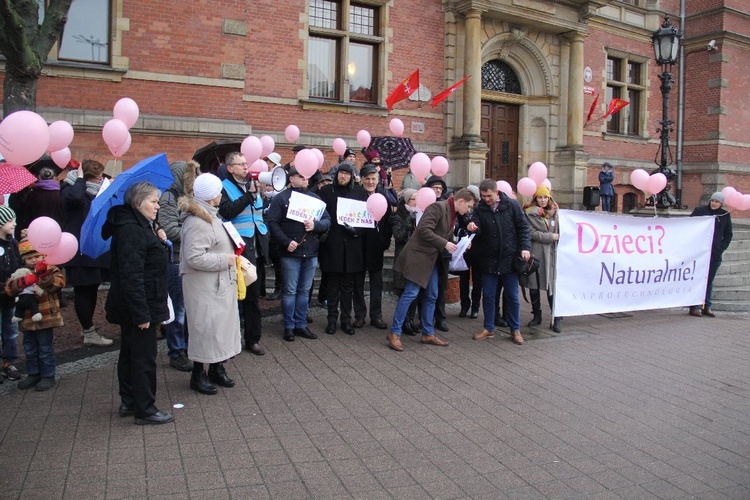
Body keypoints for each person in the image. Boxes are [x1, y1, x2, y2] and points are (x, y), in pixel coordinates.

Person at [103, 181, 173, 425]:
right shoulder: (131, 230)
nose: (157, 206)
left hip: (138, 301)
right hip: (140, 303)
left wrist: (157, 237)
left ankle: (130, 400)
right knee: (143, 356)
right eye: (153, 202)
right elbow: (131, 276)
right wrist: (141, 314)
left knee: (130, 352)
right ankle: (145, 408)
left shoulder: (138, 226)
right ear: (137, 202)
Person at [386, 188, 476, 352]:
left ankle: (427, 333)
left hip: (431, 259)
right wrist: (445, 243)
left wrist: (459, 243)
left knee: (432, 295)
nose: (469, 210)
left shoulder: (451, 212)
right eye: (469, 207)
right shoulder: (438, 207)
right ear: (461, 201)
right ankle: (394, 332)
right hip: (419, 258)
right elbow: (423, 230)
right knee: (411, 294)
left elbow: (443, 235)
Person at [179, 173, 242, 395]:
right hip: (204, 286)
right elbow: (194, 257)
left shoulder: (210, 215)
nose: (221, 195)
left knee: (219, 329)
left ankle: (217, 367)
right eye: (218, 191)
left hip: (217, 283)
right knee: (204, 329)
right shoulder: (198, 221)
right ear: (211, 196)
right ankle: (198, 374)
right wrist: (223, 260)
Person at [266, 167, 331, 341]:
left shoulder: (315, 199)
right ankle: (288, 326)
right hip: (290, 253)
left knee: (304, 290)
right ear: (291, 179)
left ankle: (301, 324)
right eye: (301, 176)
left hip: (310, 252)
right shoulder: (281, 198)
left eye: (306, 177)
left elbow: (327, 220)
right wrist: (286, 242)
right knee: (290, 290)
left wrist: (315, 226)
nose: (305, 180)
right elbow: (272, 222)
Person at [468, 179, 531, 345]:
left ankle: (515, 329)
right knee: (488, 295)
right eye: (483, 196)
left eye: (489, 196)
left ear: (496, 192)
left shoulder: (512, 205)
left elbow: (523, 228)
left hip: (510, 259)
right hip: (489, 259)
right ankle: (488, 328)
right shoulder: (479, 208)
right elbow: (477, 226)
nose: (486, 199)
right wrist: (473, 227)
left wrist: (525, 248)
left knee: (512, 296)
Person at [60, 160, 114, 347]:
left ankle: (88, 328)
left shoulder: (96, 191)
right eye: (96, 175)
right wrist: (80, 179)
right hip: (78, 250)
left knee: (91, 289)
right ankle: (88, 332)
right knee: (83, 291)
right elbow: (75, 199)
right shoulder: (70, 189)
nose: (100, 178)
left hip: (95, 249)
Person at [218, 151, 267, 356]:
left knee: (253, 295)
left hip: (255, 244)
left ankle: (253, 339)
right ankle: (233, 338)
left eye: (246, 164)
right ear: (230, 168)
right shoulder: (223, 187)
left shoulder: (252, 186)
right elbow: (227, 211)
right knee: (237, 295)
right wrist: (249, 196)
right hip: (238, 246)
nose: (246, 167)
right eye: (241, 164)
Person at [4, 230, 66, 391]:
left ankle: (47, 374)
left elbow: (57, 284)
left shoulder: (51, 269)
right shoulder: (21, 272)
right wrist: (20, 283)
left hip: (45, 316)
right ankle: (33, 373)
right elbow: (9, 289)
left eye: (37, 256)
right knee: (29, 348)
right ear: (24, 259)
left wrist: (44, 276)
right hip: (27, 318)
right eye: (29, 258)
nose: (33, 260)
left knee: (45, 347)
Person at [157, 160, 200, 371]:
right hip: (174, 259)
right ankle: (176, 351)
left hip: (187, 256)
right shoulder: (168, 198)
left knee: (188, 307)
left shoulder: (187, 198)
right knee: (178, 308)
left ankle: (185, 346)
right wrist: (194, 228)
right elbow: (170, 231)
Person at [318, 162, 367, 335]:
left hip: (352, 246)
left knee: (348, 288)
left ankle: (346, 320)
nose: (343, 176)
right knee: (332, 287)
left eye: (347, 174)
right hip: (332, 246)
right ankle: (331, 320)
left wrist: (357, 231)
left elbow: (366, 218)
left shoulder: (360, 193)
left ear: (352, 176)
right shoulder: (326, 192)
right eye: (341, 173)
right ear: (337, 175)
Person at [356, 164, 393, 329]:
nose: (370, 182)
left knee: (376, 284)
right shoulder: (355, 197)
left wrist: (384, 242)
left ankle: (376, 316)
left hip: (376, 248)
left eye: (373, 179)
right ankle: (359, 315)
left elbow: (388, 224)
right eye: (367, 179)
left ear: (378, 180)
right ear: (362, 180)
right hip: (357, 247)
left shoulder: (383, 198)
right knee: (357, 283)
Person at [520, 185, 561, 332]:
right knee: (534, 285)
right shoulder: (529, 213)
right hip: (536, 253)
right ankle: (536, 315)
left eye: (545, 197)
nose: (543, 200)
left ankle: (556, 316)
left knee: (552, 286)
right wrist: (551, 237)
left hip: (551, 254)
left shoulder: (556, 213)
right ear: (535, 198)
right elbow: (531, 233)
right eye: (540, 197)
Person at [689, 192, 733, 318]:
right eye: (712, 200)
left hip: (714, 253)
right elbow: (689, 225)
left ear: (721, 203)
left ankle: (706, 306)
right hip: (700, 251)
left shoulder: (725, 215)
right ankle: (694, 306)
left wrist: (721, 248)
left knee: (709, 281)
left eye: (717, 202)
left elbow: (728, 234)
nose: (714, 203)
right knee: (698, 279)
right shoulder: (700, 211)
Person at [389, 189, 419, 334]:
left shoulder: (421, 214)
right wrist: (410, 219)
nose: (416, 202)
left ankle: (410, 320)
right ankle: (402, 323)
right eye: (414, 199)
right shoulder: (397, 217)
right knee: (405, 292)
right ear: (406, 200)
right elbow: (399, 236)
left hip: (417, 258)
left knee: (415, 292)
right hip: (404, 257)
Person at [424, 176, 450, 332]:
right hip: (426, 253)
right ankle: (424, 317)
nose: (438, 190)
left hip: (443, 253)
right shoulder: (424, 203)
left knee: (441, 286)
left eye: (440, 188)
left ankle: (440, 317)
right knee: (426, 287)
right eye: (435, 187)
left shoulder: (447, 206)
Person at [0, 206, 22, 381]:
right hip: (2, 293)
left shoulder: (13, 243)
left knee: (11, 330)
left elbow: (19, 263)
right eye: (10, 221)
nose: (14, 224)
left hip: (10, 297)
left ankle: (9, 362)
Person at [456, 185, 482, 319]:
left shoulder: (481, 210)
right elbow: (457, 227)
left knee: (477, 280)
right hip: (464, 248)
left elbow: (484, 228)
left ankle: (475, 307)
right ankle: (464, 305)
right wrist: (465, 232)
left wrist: (475, 231)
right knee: (463, 279)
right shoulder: (460, 210)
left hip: (477, 249)